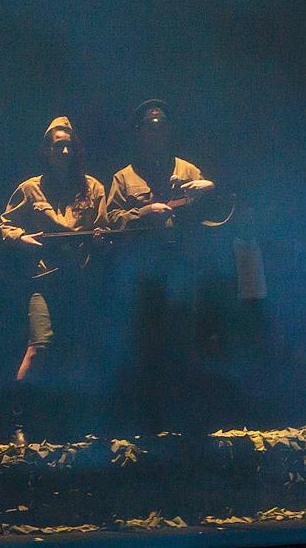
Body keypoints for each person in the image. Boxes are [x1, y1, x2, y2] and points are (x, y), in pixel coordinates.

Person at [104, 99, 218, 432]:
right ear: (139, 133)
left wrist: (209, 188)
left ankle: (187, 420)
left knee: (184, 344)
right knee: (146, 344)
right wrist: (144, 213)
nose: (156, 133)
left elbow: (219, 212)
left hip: (182, 272)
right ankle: (149, 422)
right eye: (150, 127)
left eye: (162, 126)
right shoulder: (124, 178)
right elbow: (110, 220)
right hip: (143, 275)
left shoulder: (188, 171)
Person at [0, 117, 107, 442]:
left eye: (69, 145)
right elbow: (3, 226)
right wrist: (20, 238)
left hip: (80, 282)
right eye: (59, 145)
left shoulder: (92, 188)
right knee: (39, 348)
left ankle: (77, 423)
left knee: (79, 351)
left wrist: (101, 239)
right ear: (46, 150)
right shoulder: (30, 189)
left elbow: (104, 228)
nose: (65, 151)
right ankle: (17, 423)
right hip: (44, 280)